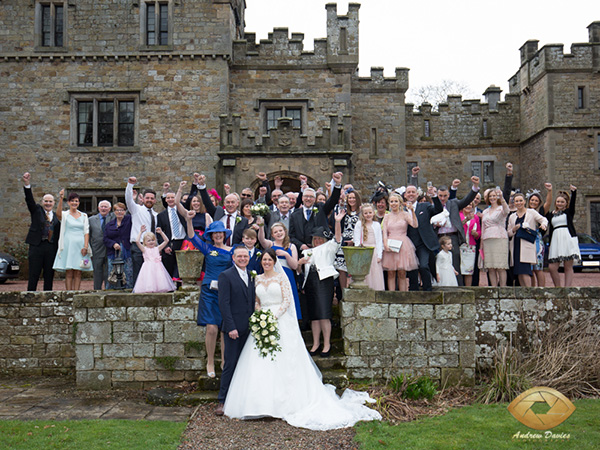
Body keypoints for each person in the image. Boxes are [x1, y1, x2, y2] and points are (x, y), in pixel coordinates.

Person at [223, 248, 382, 430]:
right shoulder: (257, 279)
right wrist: (260, 314)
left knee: (284, 360)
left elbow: (287, 301)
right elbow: (256, 301)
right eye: (264, 260)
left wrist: (273, 317)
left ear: (274, 261)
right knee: (259, 360)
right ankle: (259, 403)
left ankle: (285, 403)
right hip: (262, 322)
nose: (266, 262)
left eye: (269, 260)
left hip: (280, 320)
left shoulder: (281, 278)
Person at [184, 215, 234, 378]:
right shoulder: (207, 248)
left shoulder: (232, 251)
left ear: (224, 235)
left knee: (225, 329)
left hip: (226, 291)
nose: (218, 235)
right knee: (212, 328)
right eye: (215, 233)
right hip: (209, 292)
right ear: (211, 235)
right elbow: (192, 237)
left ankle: (225, 361)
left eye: (221, 233)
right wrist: (189, 220)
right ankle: (210, 361)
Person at [214, 245, 255, 417]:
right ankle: (222, 400)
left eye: (245, 256)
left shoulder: (252, 275)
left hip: (250, 328)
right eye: (239, 256)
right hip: (233, 328)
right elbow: (224, 304)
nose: (243, 259)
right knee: (230, 363)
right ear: (233, 258)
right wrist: (230, 327)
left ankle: (244, 399)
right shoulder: (226, 276)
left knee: (247, 364)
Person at [298, 209, 345, 358]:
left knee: (324, 314)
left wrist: (337, 221)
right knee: (314, 316)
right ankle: (316, 343)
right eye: (315, 238)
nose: (317, 241)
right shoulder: (307, 252)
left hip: (324, 282)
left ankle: (327, 344)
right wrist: (300, 264)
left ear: (324, 240)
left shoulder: (329, 248)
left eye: (320, 238)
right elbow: (301, 271)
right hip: (310, 283)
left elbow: (338, 239)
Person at [436, 176, 480, 285]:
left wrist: (475, 186)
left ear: (448, 195)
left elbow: (467, 200)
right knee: (440, 261)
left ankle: (458, 287)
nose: (442, 198)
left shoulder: (454, 204)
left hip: (452, 236)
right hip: (439, 236)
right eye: (440, 196)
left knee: (455, 261)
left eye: (445, 196)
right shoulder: (434, 206)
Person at [256, 216, 302, 319]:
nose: (279, 233)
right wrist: (261, 226)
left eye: (280, 231)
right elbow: (261, 239)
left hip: (287, 276)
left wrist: (286, 254)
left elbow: (295, 266)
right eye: (276, 232)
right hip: (273, 275)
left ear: (285, 232)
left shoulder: (291, 246)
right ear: (272, 235)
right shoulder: (270, 244)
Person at [22, 172, 60, 291]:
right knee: (34, 273)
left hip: (51, 247)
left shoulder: (57, 216)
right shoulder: (36, 210)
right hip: (37, 246)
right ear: (42, 202)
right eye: (46, 201)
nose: (48, 203)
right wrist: (27, 184)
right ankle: (30, 295)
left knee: (49, 275)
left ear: (54, 203)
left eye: (50, 201)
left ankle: (47, 297)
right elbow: (29, 200)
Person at [404, 178, 443, 292]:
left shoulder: (425, 206)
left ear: (417, 194)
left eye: (413, 192)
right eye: (408, 192)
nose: (411, 194)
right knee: (411, 269)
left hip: (423, 243)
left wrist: (434, 196)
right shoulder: (402, 209)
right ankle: (413, 291)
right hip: (409, 243)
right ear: (405, 195)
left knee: (423, 266)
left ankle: (427, 290)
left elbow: (438, 209)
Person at [53, 191, 92, 290]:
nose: (75, 203)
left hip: (80, 245)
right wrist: (61, 199)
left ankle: (76, 293)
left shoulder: (84, 216)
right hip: (68, 245)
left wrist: (85, 246)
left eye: (77, 201)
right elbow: (58, 215)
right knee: (69, 271)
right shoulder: (65, 214)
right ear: (69, 202)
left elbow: (86, 231)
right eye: (72, 201)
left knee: (78, 271)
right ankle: (68, 293)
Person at [507, 193, 548, 287]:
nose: (519, 203)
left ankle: (529, 291)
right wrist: (514, 229)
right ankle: (524, 293)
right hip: (516, 245)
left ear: (525, 201)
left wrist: (543, 225)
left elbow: (544, 220)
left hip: (526, 245)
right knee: (519, 272)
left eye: (521, 200)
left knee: (525, 270)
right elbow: (508, 233)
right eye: (516, 201)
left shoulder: (531, 213)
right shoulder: (512, 216)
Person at [196, 174, 249, 245]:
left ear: (237, 203)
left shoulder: (244, 221)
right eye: (228, 202)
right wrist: (202, 187)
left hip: (234, 252)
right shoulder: (218, 212)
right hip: (216, 250)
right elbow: (207, 202)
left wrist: (234, 251)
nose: (230, 205)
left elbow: (244, 240)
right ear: (224, 203)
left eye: (233, 202)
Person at [381, 193, 419, 292]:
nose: (394, 203)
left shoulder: (405, 214)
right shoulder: (387, 216)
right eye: (392, 201)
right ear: (389, 203)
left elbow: (415, 225)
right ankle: (392, 294)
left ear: (400, 203)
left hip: (403, 244)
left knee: (402, 272)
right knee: (391, 272)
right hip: (390, 243)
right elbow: (385, 231)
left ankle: (403, 295)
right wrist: (385, 244)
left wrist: (412, 211)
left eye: (396, 201)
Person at [125, 176, 158, 285]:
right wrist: (130, 185)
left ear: (155, 200)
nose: (149, 200)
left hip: (152, 248)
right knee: (139, 272)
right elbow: (128, 200)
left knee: (152, 272)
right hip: (139, 246)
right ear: (142, 199)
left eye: (152, 198)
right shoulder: (136, 210)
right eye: (147, 198)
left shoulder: (156, 215)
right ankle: (137, 293)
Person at [546, 186, 580, 287]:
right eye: (558, 201)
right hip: (556, 240)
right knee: (552, 267)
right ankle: (558, 288)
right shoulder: (551, 214)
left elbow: (573, 203)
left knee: (567, 266)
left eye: (562, 202)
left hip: (567, 238)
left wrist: (574, 192)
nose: (559, 204)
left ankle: (567, 288)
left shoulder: (568, 212)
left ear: (566, 203)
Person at [132, 225, 176, 293]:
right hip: (147, 268)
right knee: (149, 279)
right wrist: (141, 232)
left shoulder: (157, 248)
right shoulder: (144, 249)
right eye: (149, 241)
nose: (151, 242)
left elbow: (166, 240)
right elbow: (137, 241)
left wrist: (161, 232)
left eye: (153, 240)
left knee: (159, 280)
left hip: (158, 267)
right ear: (145, 242)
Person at [480, 188, 510, 287]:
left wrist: (502, 198)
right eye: (490, 196)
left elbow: (507, 210)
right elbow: (483, 227)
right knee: (491, 267)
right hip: (487, 239)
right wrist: (481, 244)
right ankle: (493, 288)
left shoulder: (501, 208)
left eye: (494, 196)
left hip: (499, 238)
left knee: (500, 266)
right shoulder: (485, 211)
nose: (492, 198)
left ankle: (503, 288)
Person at [333, 189, 361, 289]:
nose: (352, 200)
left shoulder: (361, 212)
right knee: (342, 269)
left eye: (354, 198)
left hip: (356, 241)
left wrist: (354, 240)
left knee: (355, 268)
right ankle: (344, 291)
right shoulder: (344, 211)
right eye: (350, 198)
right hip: (344, 240)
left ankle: (354, 289)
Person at [526, 184, 553, 287]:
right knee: (530, 269)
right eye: (532, 200)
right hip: (527, 241)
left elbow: (549, 203)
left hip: (537, 241)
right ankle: (532, 289)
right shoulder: (525, 211)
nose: (533, 202)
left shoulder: (540, 212)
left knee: (538, 268)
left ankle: (541, 289)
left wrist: (550, 191)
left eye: (536, 201)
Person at [352, 203, 384, 290]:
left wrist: (379, 255)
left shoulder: (376, 225)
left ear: (374, 213)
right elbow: (357, 240)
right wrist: (358, 252)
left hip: (374, 251)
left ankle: (375, 291)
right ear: (362, 214)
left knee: (374, 273)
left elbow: (379, 241)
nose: (368, 215)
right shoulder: (359, 224)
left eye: (370, 212)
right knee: (365, 273)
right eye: (365, 213)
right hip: (363, 251)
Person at [157, 190, 187, 280]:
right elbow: (159, 232)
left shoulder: (182, 212)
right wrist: (165, 246)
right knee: (169, 268)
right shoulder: (161, 215)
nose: (170, 199)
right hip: (169, 243)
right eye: (168, 198)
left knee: (182, 268)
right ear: (165, 200)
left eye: (172, 197)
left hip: (183, 242)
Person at [103, 202, 133, 289]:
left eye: (122, 210)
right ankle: (112, 291)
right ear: (114, 212)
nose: (119, 212)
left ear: (125, 211)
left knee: (128, 272)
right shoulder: (109, 225)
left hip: (127, 251)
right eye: (117, 210)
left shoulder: (129, 220)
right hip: (113, 253)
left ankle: (128, 289)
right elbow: (105, 239)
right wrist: (113, 244)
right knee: (112, 273)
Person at [88, 200, 113, 290]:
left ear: (109, 209)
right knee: (97, 271)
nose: (103, 208)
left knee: (108, 271)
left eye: (106, 207)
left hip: (110, 249)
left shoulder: (113, 217)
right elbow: (88, 235)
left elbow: (124, 212)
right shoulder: (91, 220)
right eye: (102, 206)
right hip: (96, 249)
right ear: (98, 208)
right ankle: (97, 290)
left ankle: (108, 289)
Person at [459, 202, 480, 287]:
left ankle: (468, 288)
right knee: (459, 267)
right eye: (466, 204)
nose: (468, 206)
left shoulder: (475, 217)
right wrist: (466, 220)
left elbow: (479, 231)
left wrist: (476, 234)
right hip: (460, 244)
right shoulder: (458, 215)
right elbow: (456, 227)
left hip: (470, 245)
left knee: (469, 269)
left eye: (470, 205)